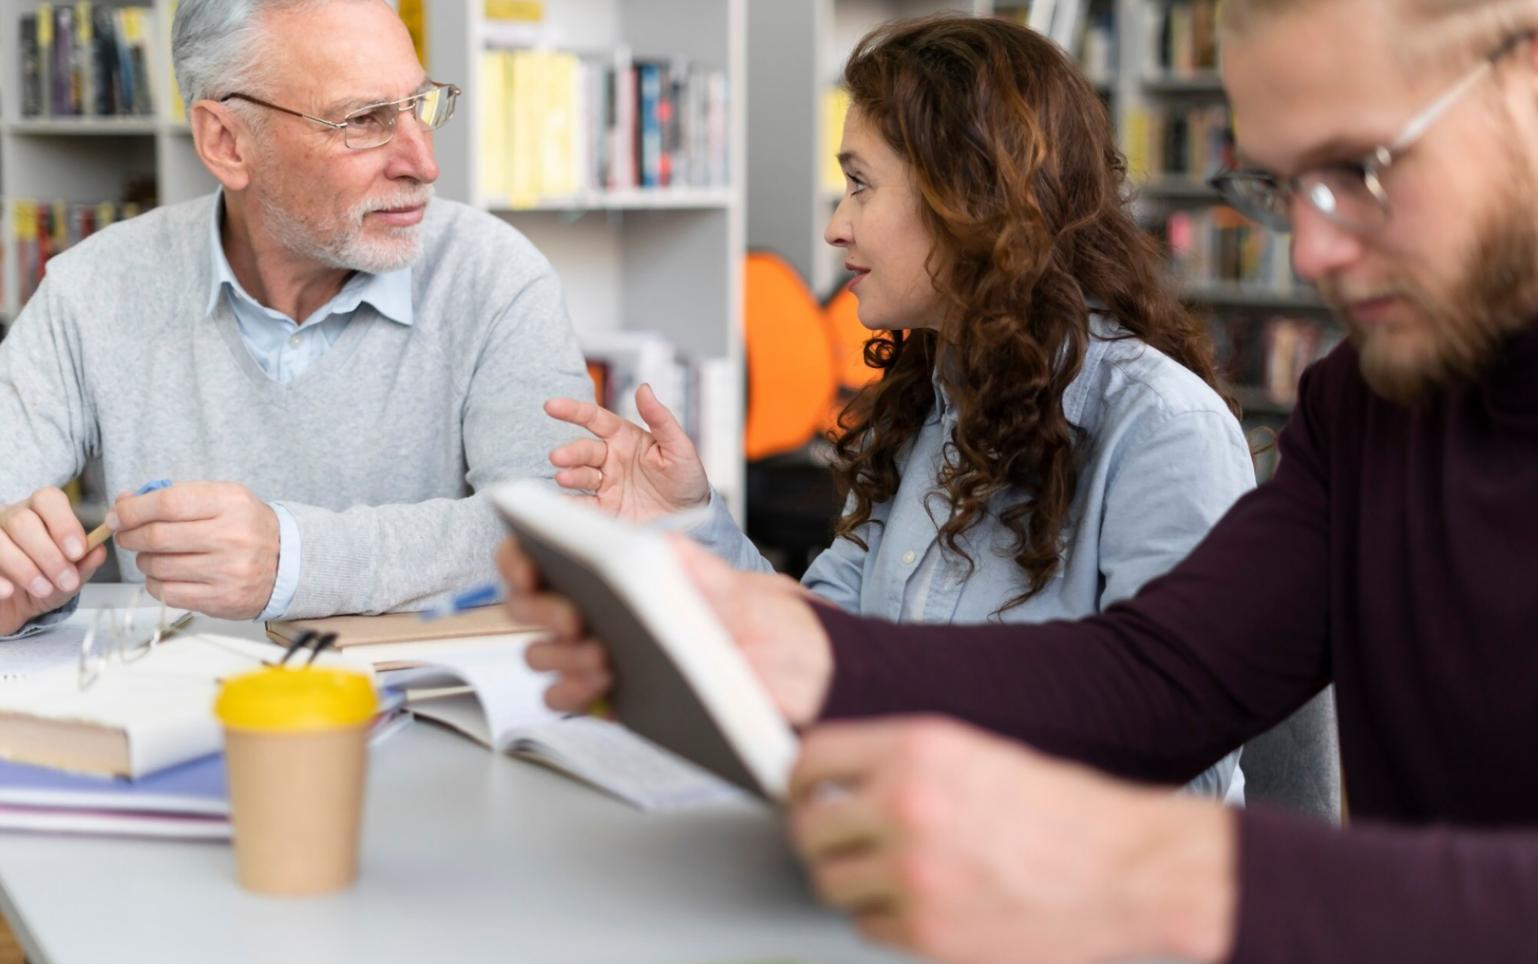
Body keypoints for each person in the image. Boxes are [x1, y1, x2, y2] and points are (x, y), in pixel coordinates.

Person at [504, 0, 1538, 960]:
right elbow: (1162, 678)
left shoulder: (1164, 422)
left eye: (1358, 167)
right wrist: (781, 643)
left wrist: (1152, 868)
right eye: (1280, 187)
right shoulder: (1367, 405)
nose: (1310, 250)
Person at [538, 16, 1253, 799]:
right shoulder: (932, 399)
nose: (835, 227)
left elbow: (1184, 777)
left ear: (968, 195)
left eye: (860, 185)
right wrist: (686, 521)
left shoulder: (1163, 430)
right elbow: (822, 647)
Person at [0, 0, 590, 638]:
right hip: (169, 692)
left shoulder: (495, 275)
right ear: (226, 143)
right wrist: (19, 582)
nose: (423, 163)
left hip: (424, 697)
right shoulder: (92, 287)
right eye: (363, 120)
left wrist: (295, 560)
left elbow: (554, 530)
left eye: (419, 105)